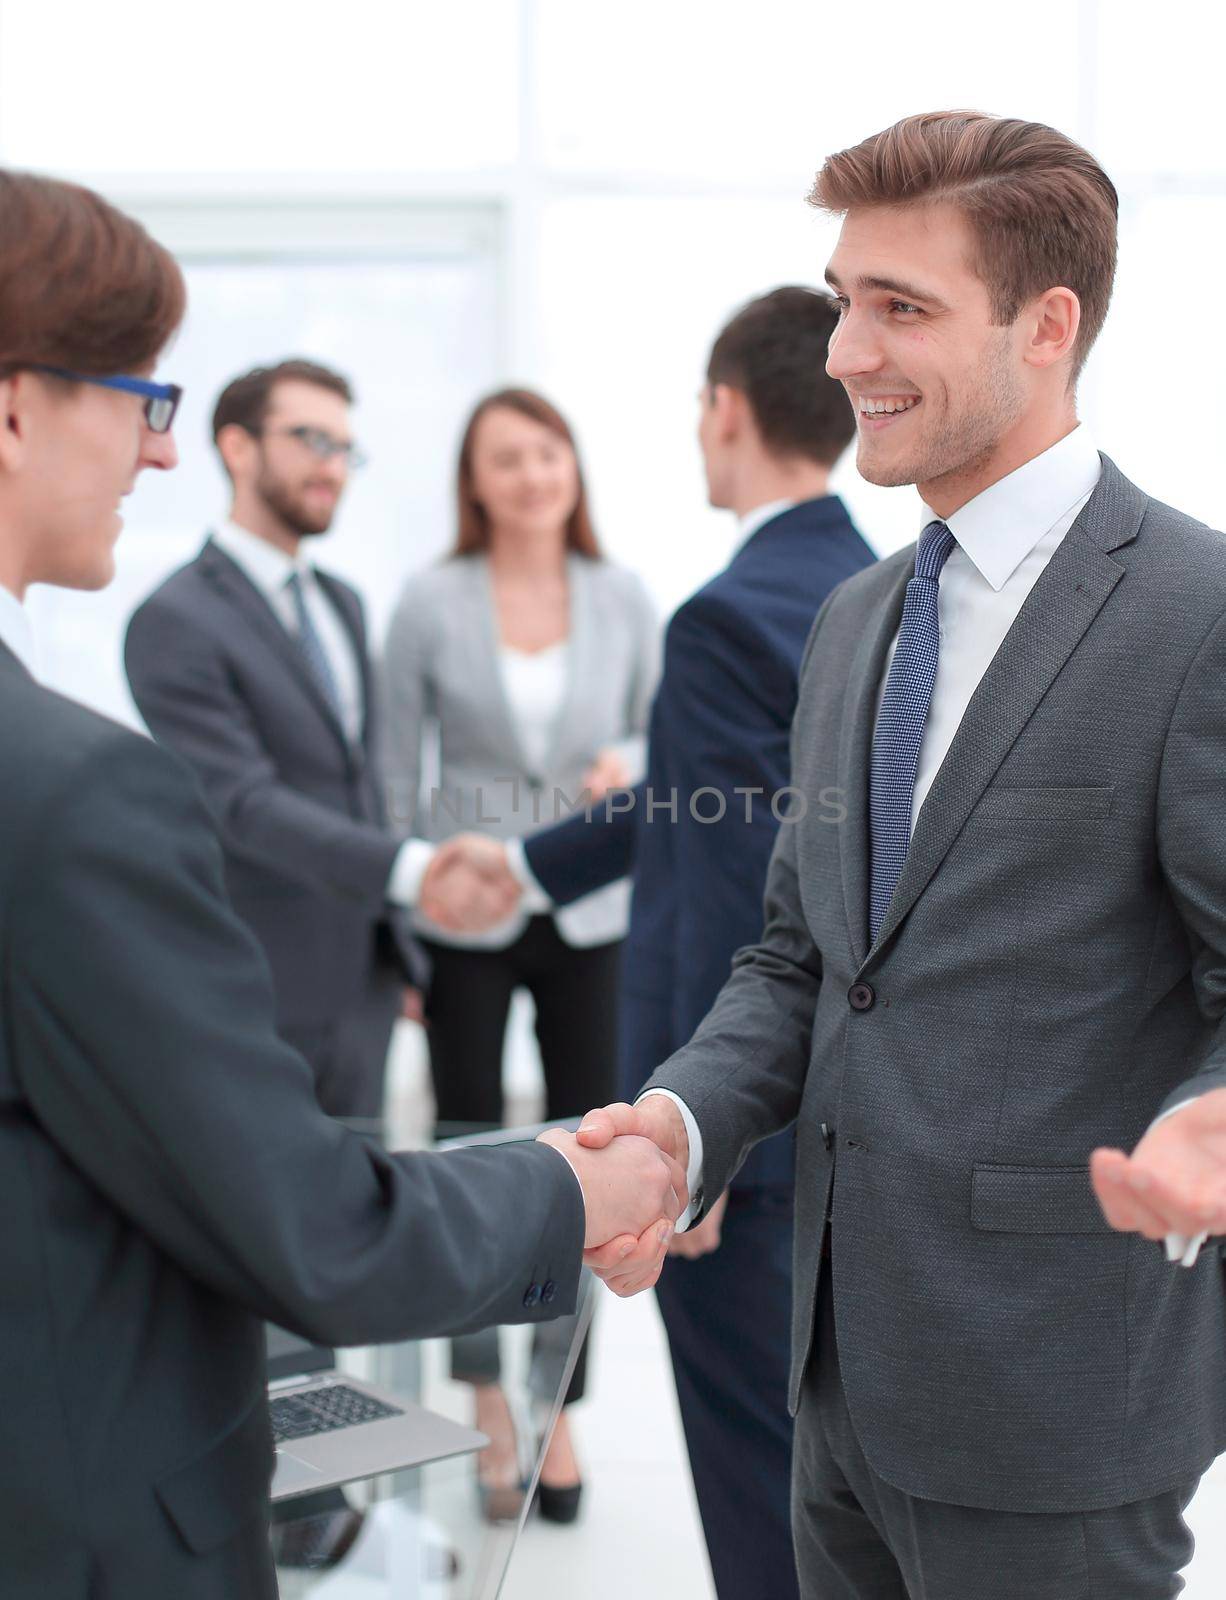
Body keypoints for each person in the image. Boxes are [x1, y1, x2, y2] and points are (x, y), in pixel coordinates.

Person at [0, 167, 683, 1600]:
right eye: (143, 399)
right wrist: (576, 1180)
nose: (158, 451)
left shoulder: (445, 603)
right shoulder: (73, 790)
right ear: (15, 407)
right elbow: (319, 1233)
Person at [581, 110, 1226, 1598]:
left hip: (1054, 1396)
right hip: (831, 1375)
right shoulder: (857, 619)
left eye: (902, 309)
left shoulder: (1194, 615)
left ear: (1045, 325)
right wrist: (677, 1135)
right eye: (842, 302)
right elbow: (801, 960)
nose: (846, 354)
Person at [448, 290, 872, 1592]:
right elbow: (700, 804)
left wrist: (697, 1137)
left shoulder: (719, 613)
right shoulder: (877, 589)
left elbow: (742, 884)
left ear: (724, 408)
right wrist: (525, 863)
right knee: (830, 1454)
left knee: (757, 1464)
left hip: (737, 1129)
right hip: (849, 1101)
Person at [381, 387, 659, 1521]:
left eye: (546, 453)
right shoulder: (429, 600)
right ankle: (487, 1399)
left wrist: (626, 756)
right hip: (469, 909)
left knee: (585, 1146)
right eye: (507, 459)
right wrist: (400, 928)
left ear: (571, 469)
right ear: (475, 481)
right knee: (470, 1148)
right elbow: (395, 773)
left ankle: (560, 1407)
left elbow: (662, 731)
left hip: (591, 909)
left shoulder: (623, 595)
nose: (532, 475)